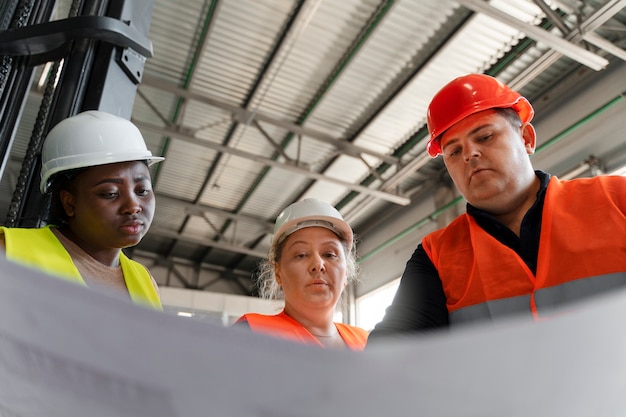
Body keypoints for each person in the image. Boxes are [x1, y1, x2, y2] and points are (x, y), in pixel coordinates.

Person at [367, 73, 626, 340]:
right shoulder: (436, 257)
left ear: (526, 138)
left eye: (485, 136)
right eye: (454, 152)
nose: (469, 154)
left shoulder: (617, 199)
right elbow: (391, 349)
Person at [0, 110, 164, 310]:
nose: (133, 206)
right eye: (110, 193)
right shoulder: (10, 251)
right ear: (69, 202)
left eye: (142, 190)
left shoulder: (145, 281)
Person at [236, 198, 368, 350]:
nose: (318, 264)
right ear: (278, 272)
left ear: (346, 273)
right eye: (301, 255)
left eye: (330, 254)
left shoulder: (366, 343)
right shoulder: (252, 333)